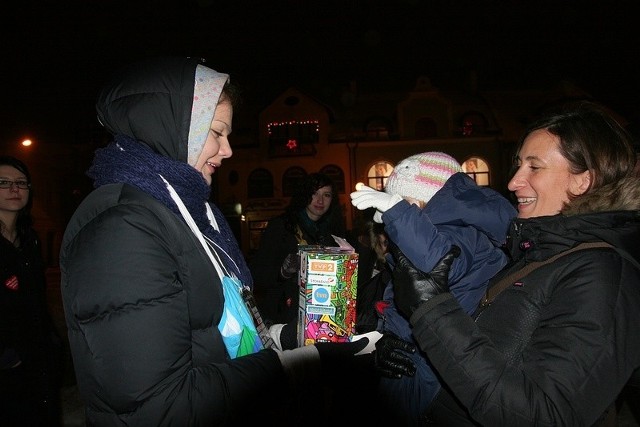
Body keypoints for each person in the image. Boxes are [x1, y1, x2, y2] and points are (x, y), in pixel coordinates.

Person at [59, 56, 413, 426]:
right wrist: (312, 363)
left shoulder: (190, 216)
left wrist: (297, 339)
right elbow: (160, 408)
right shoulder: (123, 230)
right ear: (174, 127)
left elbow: (220, 330)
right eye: (216, 132)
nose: (228, 150)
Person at [389, 100, 640, 426]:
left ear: (583, 181)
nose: (512, 182)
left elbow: (543, 415)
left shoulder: (603, 275)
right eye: (518, 164)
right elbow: (483, 349)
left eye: (534, 167)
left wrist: (431, 308)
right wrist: (404, 349)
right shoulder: (536, 253)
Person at [351, 151, 517, 425]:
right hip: (416, 354)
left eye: (405, 202)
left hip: (435, 365)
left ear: (425, 201)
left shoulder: (460, 234)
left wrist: (397, 211)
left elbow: (438, 262)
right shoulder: (432, 232)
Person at [0, 155, 64, 426]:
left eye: (21, 183)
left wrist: (52, 344)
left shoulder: (29, 240)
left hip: (37, 362)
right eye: (4, 182)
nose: (15, 189)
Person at [249, 172, 346, 345]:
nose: (320, 200)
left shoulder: (333, 232)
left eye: (326, 195)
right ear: (304, 195)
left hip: (321, 315)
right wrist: (282, 273)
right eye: (314, 193)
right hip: (284, 317)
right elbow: (258, 273)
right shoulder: (281, 227)